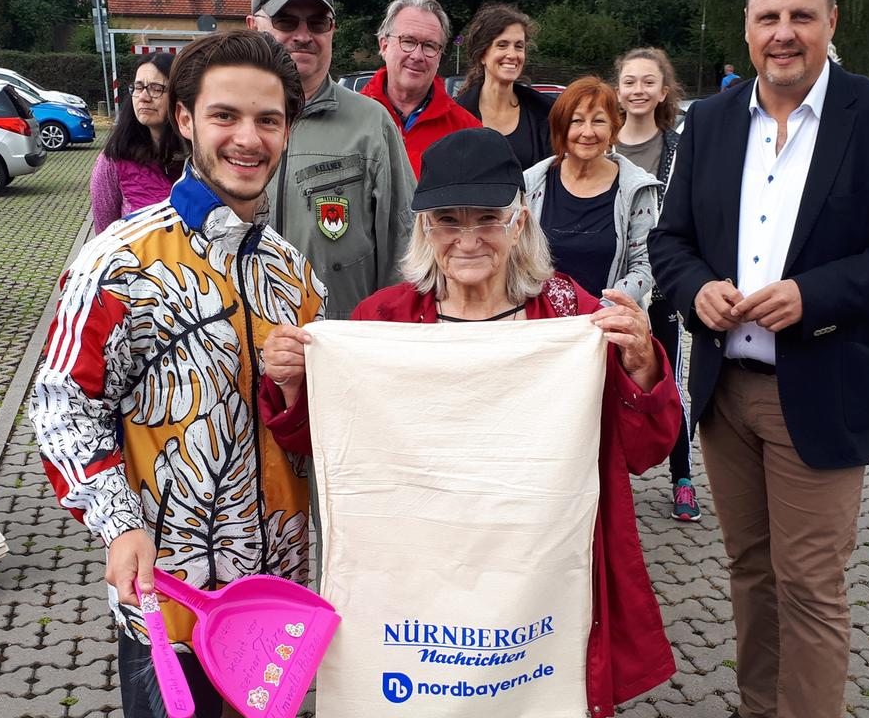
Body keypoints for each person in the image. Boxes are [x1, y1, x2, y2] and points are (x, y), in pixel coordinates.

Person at [259, 127, 681, 718]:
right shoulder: (384, 320)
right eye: (447, 221)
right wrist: (294, 382)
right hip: (419, 574)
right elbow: (332, 446)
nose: (468, 239)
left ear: (520, 220)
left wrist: (641, 365)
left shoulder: (570, 315)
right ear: (424, 229)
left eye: (487, 217)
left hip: (533, 576)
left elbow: (645, 448)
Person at [649, 0, 869, 718]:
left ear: (831, 22)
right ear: (747, 30)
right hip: (725, 394)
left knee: (810, 585)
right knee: (750, 571)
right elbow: (670, 241)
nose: (784, 33)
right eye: (768, 17)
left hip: (820, 393)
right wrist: (696, 291)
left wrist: (815, 295)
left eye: (801, 15)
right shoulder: (709, 122)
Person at [30, 31, 326, 718]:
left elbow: (317, 430)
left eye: (268, 119)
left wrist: (298, 390)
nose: (247, 138)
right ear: (186, 119)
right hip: (168, 592)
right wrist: (119, 526)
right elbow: (62, 406)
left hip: (272, 592)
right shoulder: (119, 262)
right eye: (226, 116)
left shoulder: (295, 276)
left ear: (286, 131)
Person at [247, 0, 415, 320]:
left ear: (332, 30)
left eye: (317, 23)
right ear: (254, 25)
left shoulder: (371, 123)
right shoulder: (225, 123)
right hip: (241, 345)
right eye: (286, 21)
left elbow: (405, 245)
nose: (303, 35)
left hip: (339, 346)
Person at [613, 47, 699, 523]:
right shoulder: (602, 143)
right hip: (613, 288)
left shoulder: (679, 150)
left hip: (662, 288)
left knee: (668, 381)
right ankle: (610, 477)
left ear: (664, 91)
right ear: (618, 90)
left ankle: (682, 477)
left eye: (648, 82)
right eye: (629, 81)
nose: (638, 90)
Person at [521, 77, 660, 307]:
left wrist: (601, 309)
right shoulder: (531, 184)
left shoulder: (635, 189)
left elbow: (645, 265)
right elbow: (516, 259)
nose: (587, 132)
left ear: (613, 128)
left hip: (610, 324)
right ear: (561, 127)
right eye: (576, 121)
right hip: (543, 325)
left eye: (598, 121)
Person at [360, 0, 481, 177]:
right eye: (408, 41)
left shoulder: (468, 132)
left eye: (430, 46)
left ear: (439, 56)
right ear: (384, 46)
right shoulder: (350, 119)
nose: (417, 56)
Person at [89, 51, 184, 231]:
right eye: (138, 87)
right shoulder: (113, 161)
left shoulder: (200, 157)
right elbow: (104, 238)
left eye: (156, 88)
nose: (143, 97)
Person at [453, 3, 554, 168]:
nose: (512, 54)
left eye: (519, 46)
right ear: (482, 54)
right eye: (502, 45)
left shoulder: (545, 114)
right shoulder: (457, 114)